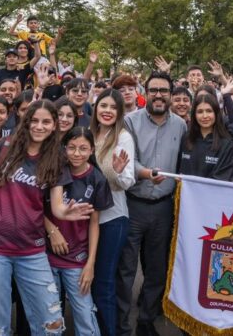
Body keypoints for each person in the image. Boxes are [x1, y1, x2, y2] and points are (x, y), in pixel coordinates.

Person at [0, 100, 94, 335]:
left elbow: (57, 207)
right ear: (25, 122)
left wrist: (67, 214)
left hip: (32, 250)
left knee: (51, 324)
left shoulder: (57, 158)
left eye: (46, 122)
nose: (39, 126)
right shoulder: (2, 147)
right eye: (35, 120)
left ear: (54, 125)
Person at [118, 71, 186, 336]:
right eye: (154, 90)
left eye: (164, 91)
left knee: (157, 268)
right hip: (132, 204)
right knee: (126, 269)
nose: (159, 95)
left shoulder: (181, 125)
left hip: (164, 207)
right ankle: (121, 324)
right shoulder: (129, 121)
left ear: (171, 95)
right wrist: (146, 173)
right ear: (144, 93)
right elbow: (124, 158)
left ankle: (146, 320)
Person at [46, 127, 114, 336]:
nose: (77, 153)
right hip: (45, 258)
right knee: (50, 319)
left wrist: (90, 264)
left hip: (77, 258)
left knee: (85, 316)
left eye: (83, 148)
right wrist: (52, 230)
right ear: (64, 148)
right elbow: (35, 207)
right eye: (72, 148)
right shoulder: (53, 172)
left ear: (92, 150)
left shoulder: (97, 179)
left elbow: (94, 224)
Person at [89, 89, 135, 336]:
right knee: (88, 279)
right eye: (102, 105)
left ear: (119, 112)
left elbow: (128, 182)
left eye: (112, 107)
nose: (107, 111)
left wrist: (117, 171)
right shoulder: (88, 135)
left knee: (104, 283)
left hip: (112, 218)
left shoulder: (123, 138)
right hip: (86, 219)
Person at [178, 94, 233, 180]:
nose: (205, 116)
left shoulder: (226, 143)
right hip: (184, 193)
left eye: (209, 111)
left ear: (216, 113)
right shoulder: (186, 138)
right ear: (194, 114)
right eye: (200, 112)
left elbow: (222, 178)